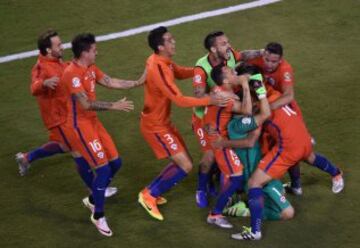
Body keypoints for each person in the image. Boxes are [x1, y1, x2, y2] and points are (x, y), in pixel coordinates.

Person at [230, 67, 344, 241]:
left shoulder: (259, 102)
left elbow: (254, 115)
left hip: (288, 148)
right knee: (310, 157)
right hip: (302, 138)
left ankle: (255, 231)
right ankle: (336, 174)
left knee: (254, 182)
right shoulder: (274, 93)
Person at [137, 26, 230, 221]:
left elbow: (178, 72)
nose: (174, 42)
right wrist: (209, 100)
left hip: (163, 122)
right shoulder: (158, 68)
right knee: (185, 165)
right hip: (155, 126)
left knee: (182, 161)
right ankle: (149, 194)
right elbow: (179, 100)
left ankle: (152, 191)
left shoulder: (162, 60)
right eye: (170, 40)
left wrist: (201, 71)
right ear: (160, 46)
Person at [60, 33, 140, 237]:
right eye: (94, 50)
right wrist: (115, 105)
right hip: (80, 127)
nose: (97, 52)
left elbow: (109, 80)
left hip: (93, 123)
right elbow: (85, 104)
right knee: (103, 171)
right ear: (85, 52)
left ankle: (94, 198)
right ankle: (98, 215)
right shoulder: (72, 73)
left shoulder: (90, 68)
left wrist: (136, 82)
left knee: (116, 163)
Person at [213, 64, 294, 221]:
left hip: (264, 172)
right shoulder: (239, 123)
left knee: (278, 196)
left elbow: (251, 113)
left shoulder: (236, 114)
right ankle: (244, 210)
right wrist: (260, 90)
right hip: (258, 178)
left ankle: (244, 202)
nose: (234, 73)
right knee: (287, 213)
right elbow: (263, 115)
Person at [192, 31, 264, 207]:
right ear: (213, 48)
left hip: (226, 114)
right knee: (209, 156)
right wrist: (218, 97)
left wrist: (261, 52)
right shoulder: (201, 68)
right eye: (224, 44)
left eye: (227, 42)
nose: (228, 46)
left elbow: (242, 55)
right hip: (205, 119)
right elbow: (198, 94)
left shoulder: (229, 54)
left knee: (222, 153)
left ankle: (216, 180)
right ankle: (201, 188)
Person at [202, 64, 256, 228]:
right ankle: (215, 214)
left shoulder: (219, 90)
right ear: (225, 79)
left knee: (233, 173)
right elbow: (247, 111)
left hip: (215, 135)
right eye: (231, 71)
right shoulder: (226, 97)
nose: (235, 72)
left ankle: (226, 203)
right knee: (236, 175)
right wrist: (246, 85)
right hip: (220, 140)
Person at [248, 42, 303, 194]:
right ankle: (272, 183)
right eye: (266, 59)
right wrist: (255, 51)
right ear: (263, 55)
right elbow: (239, 57)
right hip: (267, 107)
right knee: (268, 145)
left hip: (282, 109)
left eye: (274, 62)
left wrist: (266, 108)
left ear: (280, 60)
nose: (269, 64)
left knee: (288, 147)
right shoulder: (257, 59)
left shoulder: (285, 69)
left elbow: (289, 96)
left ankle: (295, 184)